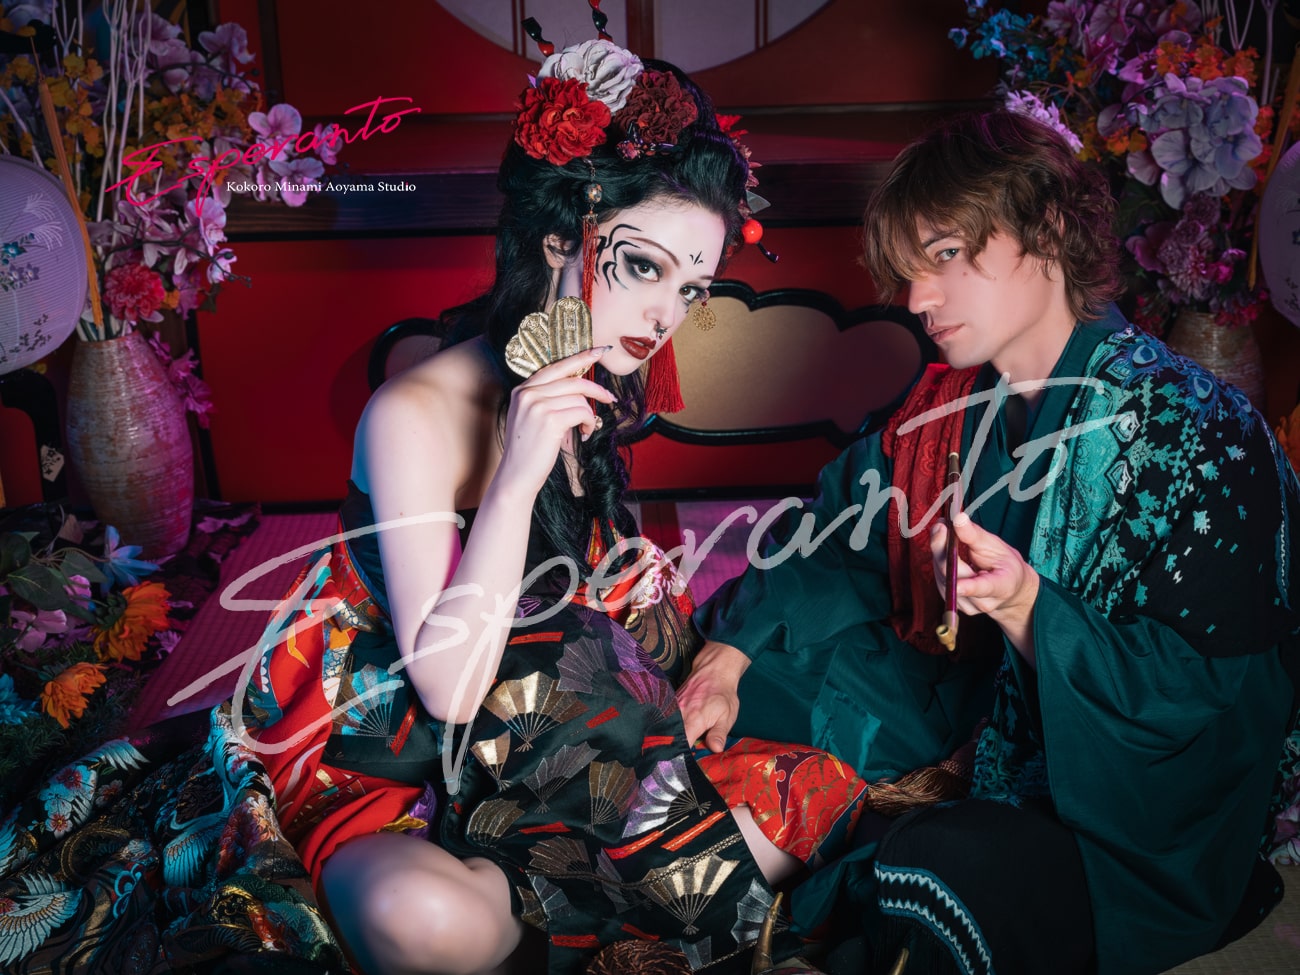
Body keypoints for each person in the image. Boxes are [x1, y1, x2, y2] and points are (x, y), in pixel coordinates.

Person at [0, 28, 864, 975]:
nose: (666, 316)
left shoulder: (588, 374)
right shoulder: (410, 415)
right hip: (394, 753)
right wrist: (517, 472)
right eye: (645, 267)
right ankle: (574, 912)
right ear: (558, 238)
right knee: (418, 917)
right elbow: (447, 684)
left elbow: (577, 600)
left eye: (692, 287)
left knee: (814, 789)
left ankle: (570, 907)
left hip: (549, 741)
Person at [679, 109, 1300, 974]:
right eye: (908, 271)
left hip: (1120, 799)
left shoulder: (1197, 431)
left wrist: (1033, 611)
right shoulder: (951, 405)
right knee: (723, 685)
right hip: (973, 701)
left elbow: (1215, 696)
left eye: (944, 256)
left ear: (1046, 227)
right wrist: (731, 654)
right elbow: (834, 533)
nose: (916, 300)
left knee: (938, 876)